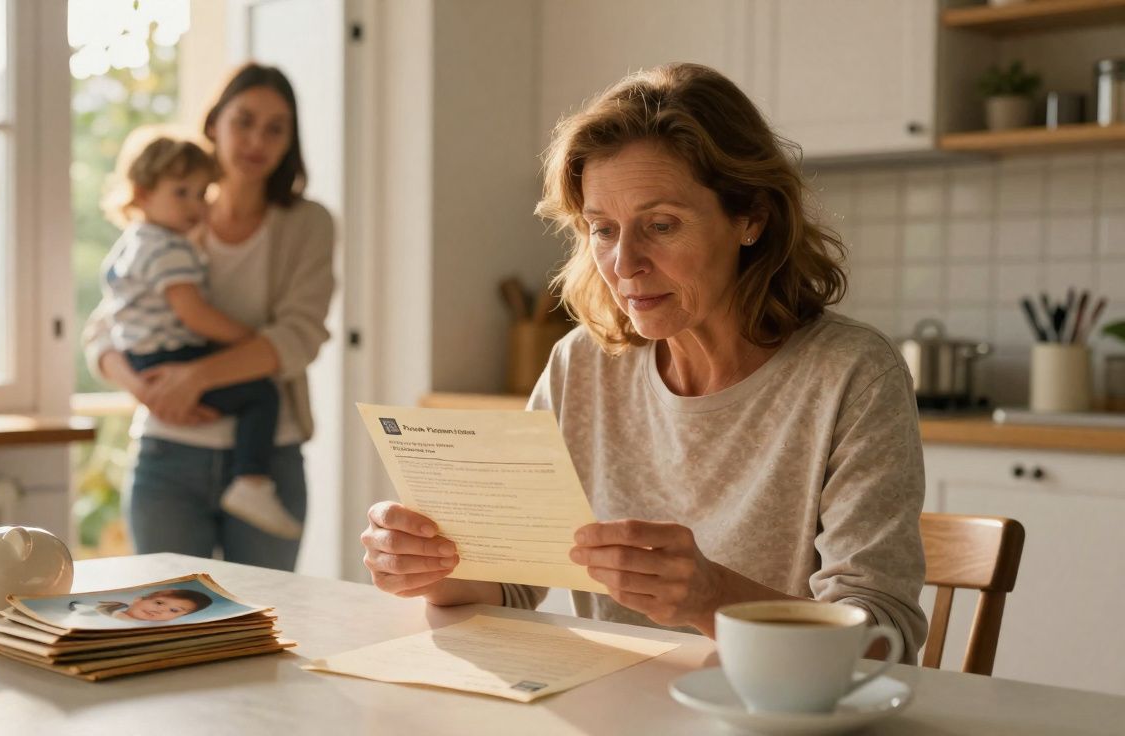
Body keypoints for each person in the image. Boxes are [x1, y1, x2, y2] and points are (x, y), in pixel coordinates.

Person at [359, 63, 928, 661]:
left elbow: (880, 641)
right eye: (603, 229)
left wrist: (712, 597)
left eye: (661, 224)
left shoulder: (853, 376)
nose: (625, 263)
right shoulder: (581, 364)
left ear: (751, 217)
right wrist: (432, 567)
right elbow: (511, 580)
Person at [83, 62, 335, 570]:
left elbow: (298, 338)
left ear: (291, 141)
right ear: (214, 123)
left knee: (266, 627)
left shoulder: (308, 224)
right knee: (166, 629)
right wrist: (148, 388)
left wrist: (194, 377)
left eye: (275, 127)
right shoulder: (171, 211)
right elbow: (102, 332)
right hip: (167, 455)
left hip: (270, 458)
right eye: (243, 120)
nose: (256, 139)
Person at [96, 128, 300, 540]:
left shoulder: (132, 242)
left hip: (146, 357)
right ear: (141, 193)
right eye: (181, 193)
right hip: (172, 356)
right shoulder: (169, 248)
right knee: (261, 394)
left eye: (202, 193)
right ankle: (252, 483)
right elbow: (194, 313)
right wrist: (247, 340)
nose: (195, 205)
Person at [69, 588, 213, 623]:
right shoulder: (111, 610)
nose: (161, 609)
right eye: (159, 602)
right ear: (137, 600)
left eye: (174, 610)